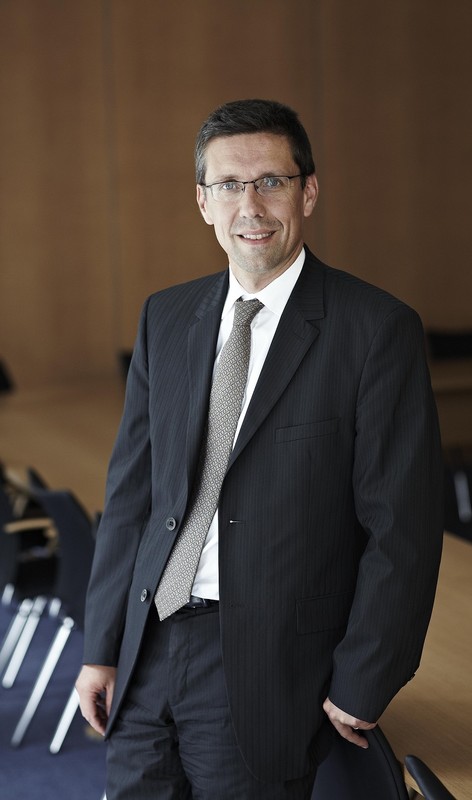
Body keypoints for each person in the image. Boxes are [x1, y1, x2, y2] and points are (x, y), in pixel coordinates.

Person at [76, 98, 443, 800]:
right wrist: (103, 645)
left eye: (271, 181)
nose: (251, 205)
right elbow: (132, 497)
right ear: (202, 202)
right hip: (149, 643)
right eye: (228, 185)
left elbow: (404, 526)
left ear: (308, 192)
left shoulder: (375, 330)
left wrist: (366, 677)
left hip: (268, 664)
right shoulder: (165, 316)